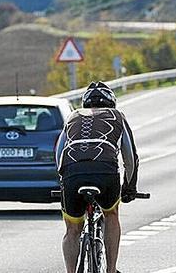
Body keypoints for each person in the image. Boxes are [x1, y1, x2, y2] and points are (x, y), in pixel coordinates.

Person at [55, 81, 139, 273]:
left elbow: (59, 153)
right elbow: (130, 159)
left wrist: (62, 181)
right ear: (112, 103)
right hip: (105, 172)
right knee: (111, 214)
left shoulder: (72, 116)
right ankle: (111, 270)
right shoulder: (117, 116)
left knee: (72, 229)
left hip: (72, 172)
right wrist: (129, 188)